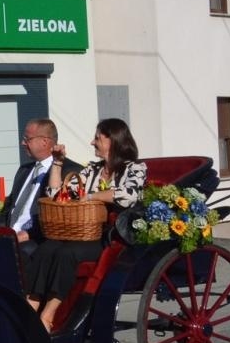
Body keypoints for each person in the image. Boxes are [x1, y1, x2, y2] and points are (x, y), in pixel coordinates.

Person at [24, 117, 148, 332]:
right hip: (81, 231)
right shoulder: (92, 170)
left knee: (67, 253)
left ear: (113, 141)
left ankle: (49, 312)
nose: (92, 142)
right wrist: (58, 163)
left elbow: (128, 196)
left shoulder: (134, 168)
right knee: (47, 248)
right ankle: (31, 304)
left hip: (110, 236)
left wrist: (91, 196)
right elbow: (55, 194)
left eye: (97, 138)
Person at [3, 118, 83, 261]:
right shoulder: (24, 170)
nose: (22, 143)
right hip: (10, 236)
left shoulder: (69, 171)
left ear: (45, 142)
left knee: (14, 254)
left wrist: (29, 234)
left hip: (38, 239)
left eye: (27, 139)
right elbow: (8, 209)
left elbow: (63, 216)